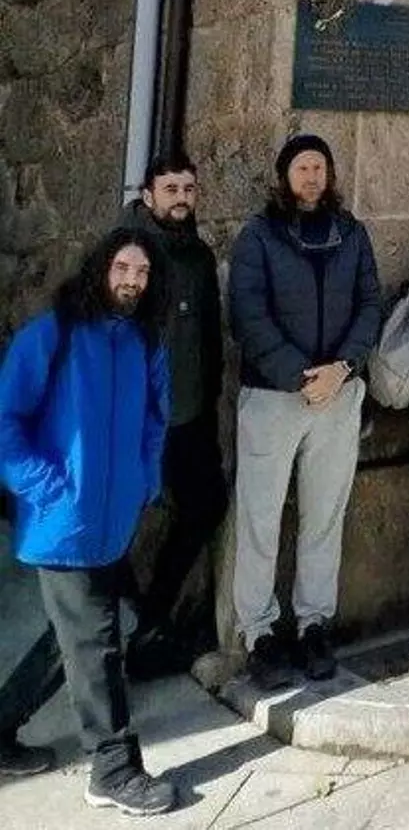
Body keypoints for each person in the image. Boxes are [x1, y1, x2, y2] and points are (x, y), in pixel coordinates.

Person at [0, 229, 174, 815]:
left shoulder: (145, 341)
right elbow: (6, 423)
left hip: (112, 523)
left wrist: (144, 480)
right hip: (63, 525)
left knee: (71, 639)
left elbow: (155, 418)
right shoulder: (51, 335)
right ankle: (113, 769)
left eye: (143, 272)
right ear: (101, 268)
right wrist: (51, 492)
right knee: (97, 641)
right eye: (123, 267)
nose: (132, 280)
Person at [230, 135, 380, 688]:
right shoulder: (259, 236)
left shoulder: (352, 234)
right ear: (285, 176)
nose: (312, 176)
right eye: (302, 167)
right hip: (274, 395)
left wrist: (342, 368)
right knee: (260, 517)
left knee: (324, 515)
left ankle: (314, 621)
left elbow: (370, 304)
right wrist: (299, 374)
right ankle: (258, 632)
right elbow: (248, 314)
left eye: (319, 166)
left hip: (338, 391)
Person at [113, 153, 227, 678]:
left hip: (189, 415)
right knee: (118, 524)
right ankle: (119, 633)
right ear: (148, 195)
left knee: (206, 505)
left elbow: (207, 332)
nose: (182, 198)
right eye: (171, 189)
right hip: (134, 419)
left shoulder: (197, 255)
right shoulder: (127, 255)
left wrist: (210, 395)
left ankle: (150, 620)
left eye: (189, 188)